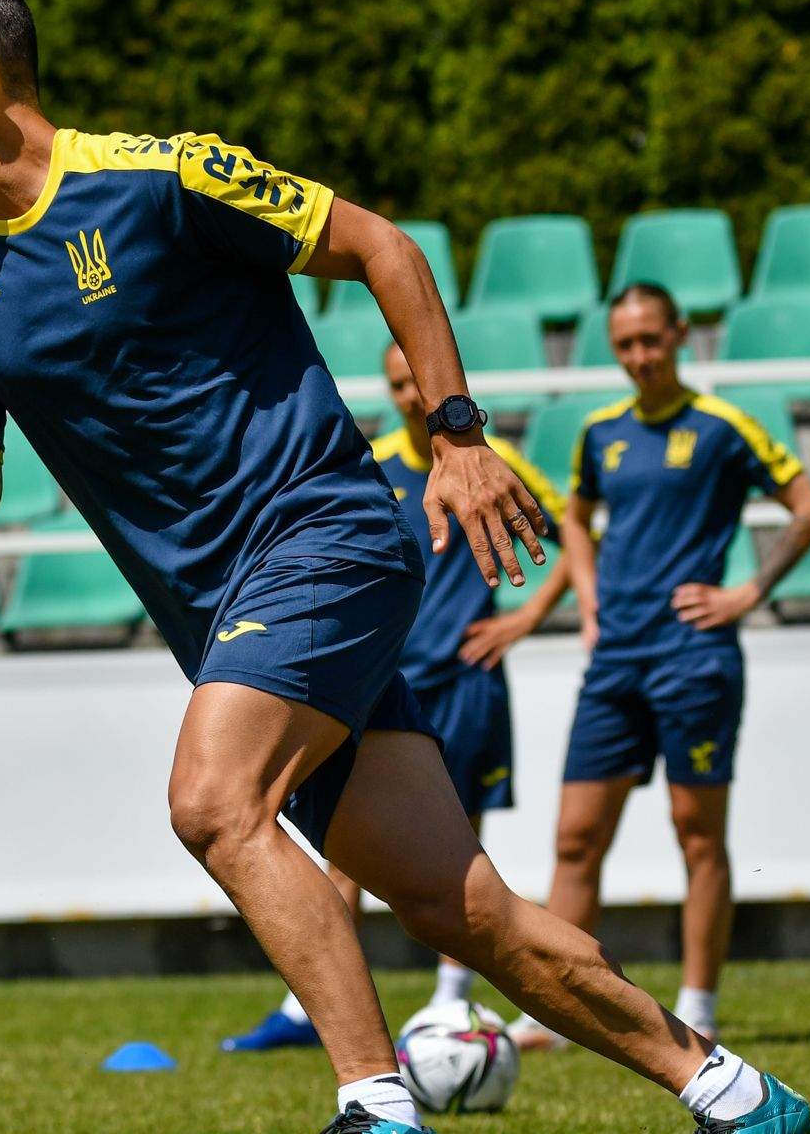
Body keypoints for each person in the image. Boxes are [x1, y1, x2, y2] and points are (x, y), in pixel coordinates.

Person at [0, 0, 810, 1134]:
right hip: (227, 613)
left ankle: (379, 1106)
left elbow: (379, 248)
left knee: (210, 798)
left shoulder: (161, 174)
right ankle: (734, 1094)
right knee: (465, 910)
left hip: (326, 536)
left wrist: (457, 434)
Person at [224, 342, 571, 1051]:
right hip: (379, 679)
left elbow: (576, 534)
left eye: (418, 380)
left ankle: (451, 1002)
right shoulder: (366, 462)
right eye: (396, 385)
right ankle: (310, 1006)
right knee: (344, 837)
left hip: (467, 676)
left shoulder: (487, 463)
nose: (412, 396)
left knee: (462, 842)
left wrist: (528, 615)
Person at [510, 282, 810, 1052]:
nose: (640, 356)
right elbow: (575, 521)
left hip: (694, 657)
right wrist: (587, 601)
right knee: (576, 836)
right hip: (617, 656)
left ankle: (700, 1002)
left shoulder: (722, 426)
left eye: (652, 340)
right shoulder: (598, 431)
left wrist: (747, 591)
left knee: (697, 832)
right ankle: (556, 1007)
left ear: (681, 336)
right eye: (626, 344)